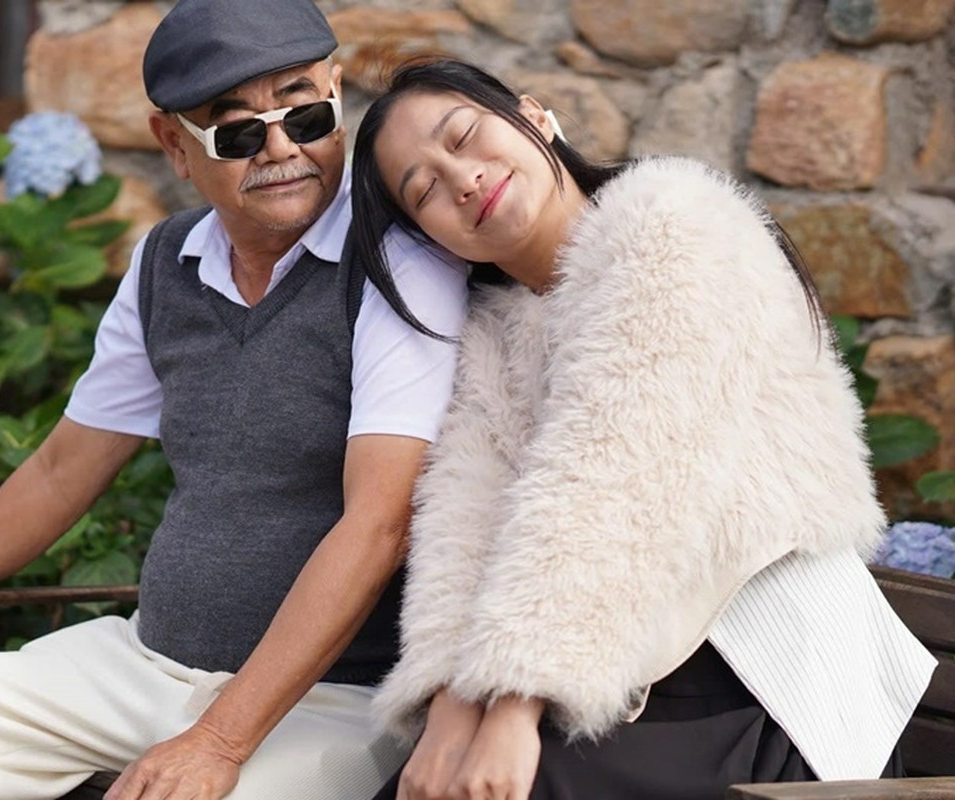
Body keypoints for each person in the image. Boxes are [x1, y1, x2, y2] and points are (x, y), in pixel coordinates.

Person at [0, 4, 470, 799]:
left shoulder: (395, 263)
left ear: (336, 96)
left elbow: (379, 523)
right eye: (237, 133)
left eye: (304, 115)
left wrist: (218, 740)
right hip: (143, 665)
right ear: (173, 145)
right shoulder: (168, 261)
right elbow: (61, 469)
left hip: (330, 700)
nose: (281, 150)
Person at [347, 58, 936, 800]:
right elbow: (465, 521)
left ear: (533, 116)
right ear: (430, 238)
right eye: (424, 191)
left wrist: (515, 701)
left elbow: (619, 480)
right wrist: (448, 709)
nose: (461, 179)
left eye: (464, 136)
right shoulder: (491, 335)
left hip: (763, 687)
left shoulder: (673, 226)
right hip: (617, 683)